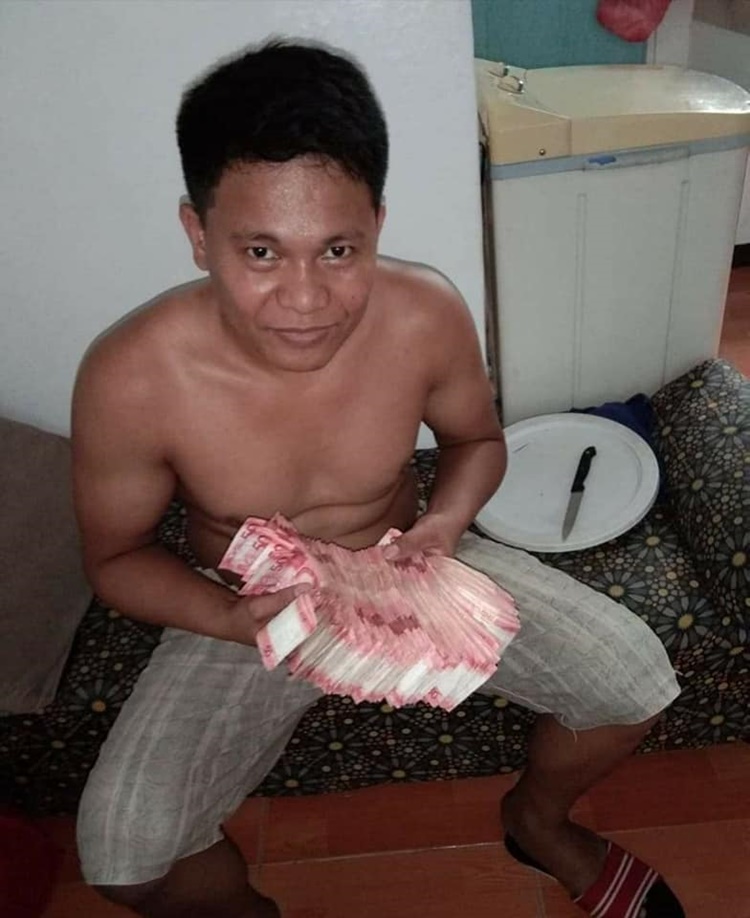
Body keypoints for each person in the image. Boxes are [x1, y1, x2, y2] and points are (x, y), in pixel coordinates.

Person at [71, 39, 685, 918]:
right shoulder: (131, 376)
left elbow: (475, 440)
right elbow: (116, 558)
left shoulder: (425, 311)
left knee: (634, 685)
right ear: (198, 235)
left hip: (408, 562)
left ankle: (537, 822)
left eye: (337, 250)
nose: (305, 299)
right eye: (261, 252)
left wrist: (445, 525)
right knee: (126, 861)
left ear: (377, 227)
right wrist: (231, 619)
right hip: (248, 602)